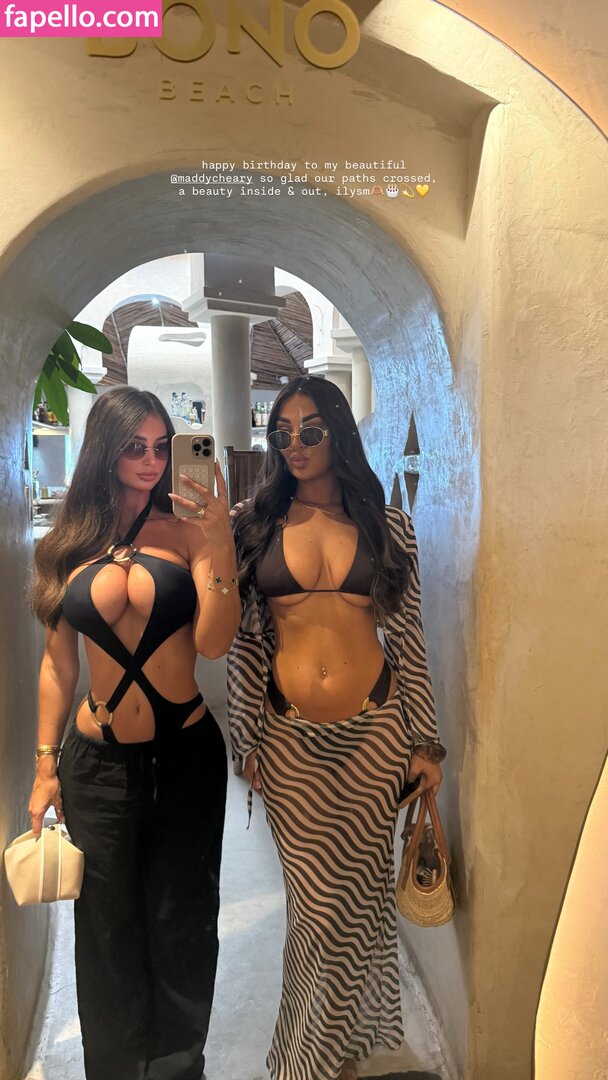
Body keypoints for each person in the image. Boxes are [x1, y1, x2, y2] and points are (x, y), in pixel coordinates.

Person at [227, 375, 446, 1080]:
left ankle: (330, 1058)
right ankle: (308, 1060)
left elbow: (408, 639)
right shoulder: (254, 525)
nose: (295, 444)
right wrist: (246, 738)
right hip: (290, 744)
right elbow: (246, 644)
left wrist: (425, 743)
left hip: (376, 738)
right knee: (316, 912)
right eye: (283, 433)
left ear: (339, 434)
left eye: (311, 431)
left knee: (358, 910)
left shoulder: (389, 526)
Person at [28, 386, 240, 1080]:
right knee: (105, 926)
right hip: (96, 765)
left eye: (159, 446)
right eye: (134, 447)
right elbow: (58, 665)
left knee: (183, 918)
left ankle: (178, 1068)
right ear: (104, 451)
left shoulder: (189, 532)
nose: (151, 461)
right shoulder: (67, 544)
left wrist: (219, 541)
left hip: (184, 757)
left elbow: (214, 642)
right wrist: (44, 766)